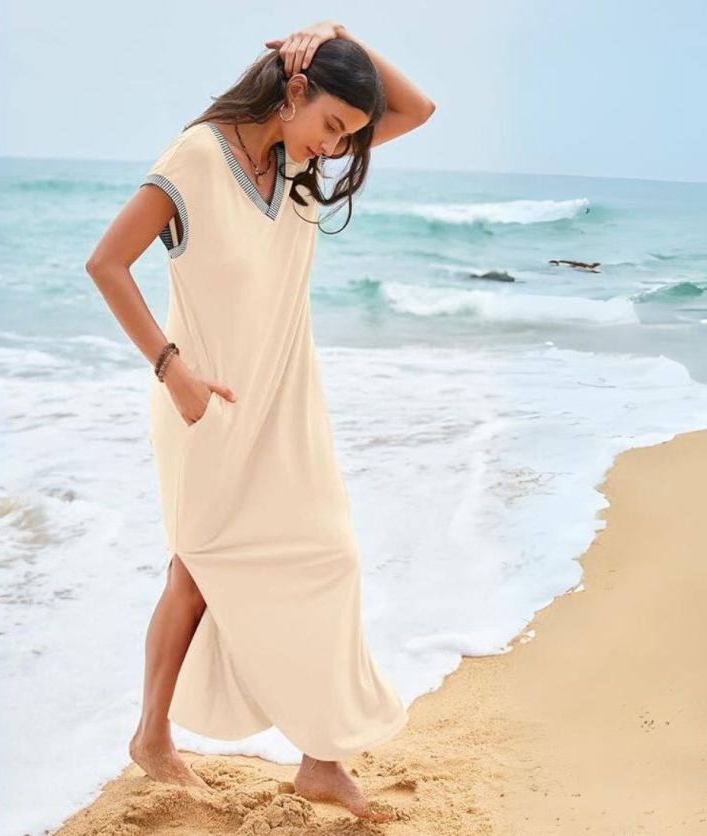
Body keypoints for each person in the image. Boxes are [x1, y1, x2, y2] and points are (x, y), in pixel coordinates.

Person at [85, 20, 435, 823]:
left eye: (348, 135)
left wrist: (342, 32)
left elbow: (416, 110)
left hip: (286, 408)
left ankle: (320, 760)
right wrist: (173, 372)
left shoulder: (295, 165)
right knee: (198, 570)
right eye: (332, 127)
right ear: (295, 91)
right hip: (204, 409)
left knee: (330, 556)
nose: (337, 148)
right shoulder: (197, 159)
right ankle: (153, 737)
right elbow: (106, 263)